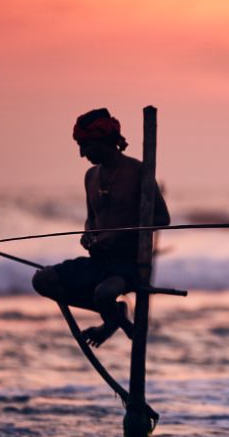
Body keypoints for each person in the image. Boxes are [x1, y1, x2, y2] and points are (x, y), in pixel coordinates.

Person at [32, 108, 170, 347]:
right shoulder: (90, 176)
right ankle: (116, 316)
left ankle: (111, 321)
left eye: (84, 145)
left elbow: (162, 218)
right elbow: (91, 219)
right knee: (42, 280)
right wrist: (88, 234)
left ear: (101, 141)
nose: (81, 153)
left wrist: (119, 234)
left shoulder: (138, 172)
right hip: (98, 262)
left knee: (104, 293)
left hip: (128, 266)